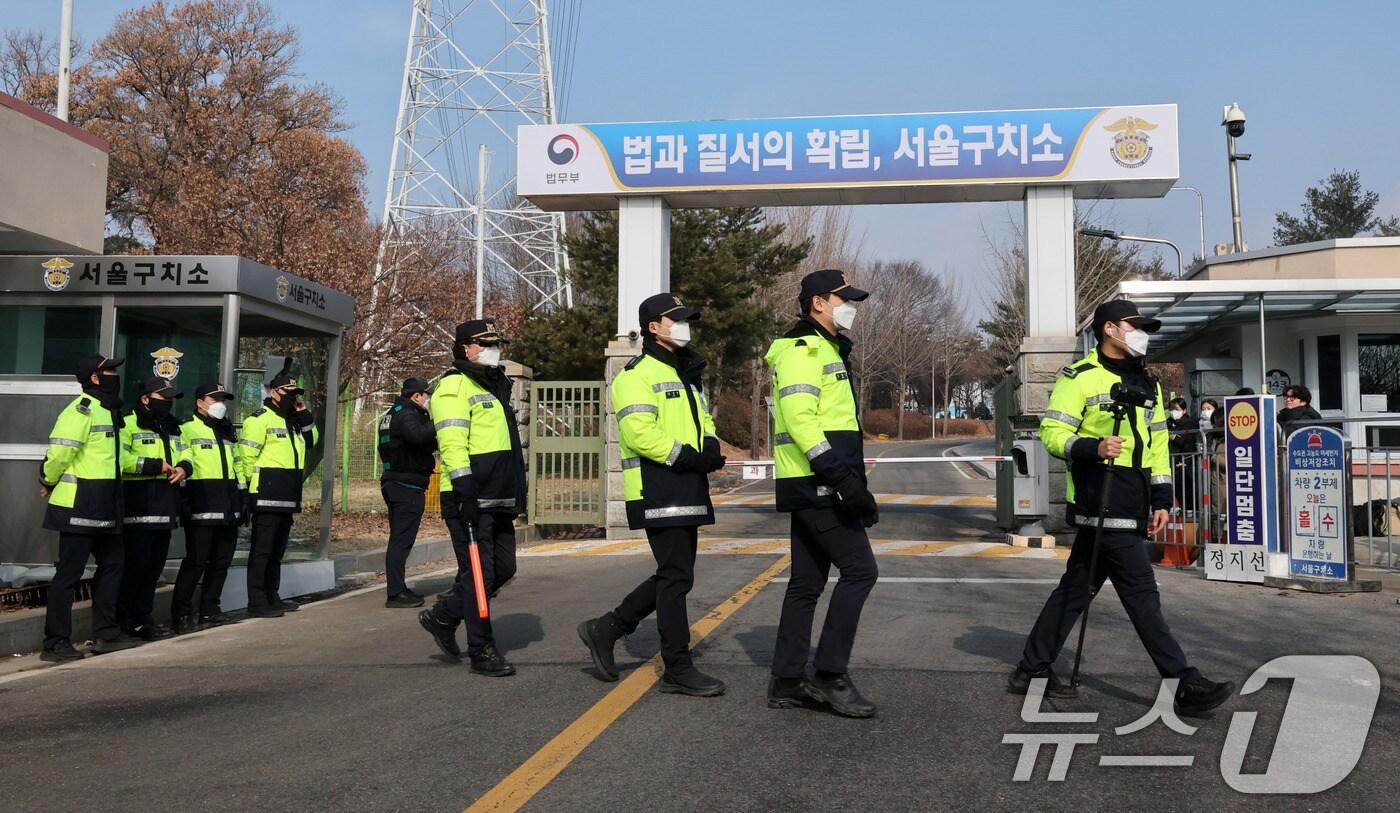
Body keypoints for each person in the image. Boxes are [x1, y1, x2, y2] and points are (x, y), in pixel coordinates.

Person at [1009, 300, 1234, 718]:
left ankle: (1030, 666)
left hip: (1134, 499)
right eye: (1136, 326)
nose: (1142, 333)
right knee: (1142, 594)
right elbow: (1052, 432)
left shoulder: (1148, 382)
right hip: (1101, 499)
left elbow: (1159, 447)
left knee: (1077, 589)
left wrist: (1164, 498)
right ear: (1110, 329)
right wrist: (1092, 447)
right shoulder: (1079, 378)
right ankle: (1183, 682)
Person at [576, 294, 727, 696]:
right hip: (658, 483)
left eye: (685, 319)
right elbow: (639, 433)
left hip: (686, 481)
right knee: (676, 577)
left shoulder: (685, 372)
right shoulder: (635, 375)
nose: (684, 325)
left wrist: (709, 444)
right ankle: (677, 666)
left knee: (675, 574)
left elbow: (702, 417)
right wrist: (689, 458)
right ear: (653, 327)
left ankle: (607, 628)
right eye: (674, 319)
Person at [764, 269, 880, 718]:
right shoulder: (802, 350)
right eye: (842, 299)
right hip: (817, 483)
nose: (849, 306)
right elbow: (801, 420)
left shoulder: (827, 347)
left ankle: (787, 680)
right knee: (860, 571)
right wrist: (841, 479)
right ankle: (829, 674)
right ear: (817, 302)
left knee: (807, 583)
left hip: (815, 481)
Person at [417, 319, 525, 677]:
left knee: (504, 568)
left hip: (498, 495)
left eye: (497, 344)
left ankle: (444, 616)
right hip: (470, 495)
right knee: (479, 573)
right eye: (486, 344)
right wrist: (464, 488)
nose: (495, 350)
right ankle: (482, 650)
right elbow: (451, 442)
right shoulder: (453, 386)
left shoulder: (496, 386)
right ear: (466, 348)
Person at [38, 355, 140, 661]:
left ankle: (106, 634)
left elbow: (118, 460)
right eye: (109, 371)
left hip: (106, 506)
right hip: (79, 506)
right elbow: (59, 454)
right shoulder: (80, 410)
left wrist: (156, 465)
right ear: (94, 378)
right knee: (68, 576)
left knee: (114, 567)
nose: (114, 375)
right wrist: (47, 478)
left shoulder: (111, 411)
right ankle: (55, 642)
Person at [116, 377, 191, 641]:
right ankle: (122, 622)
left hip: (165, 508)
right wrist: (154, 465)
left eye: (170, 398)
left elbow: (186, 452)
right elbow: (120, 460)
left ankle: (142, 620)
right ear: (145, 399)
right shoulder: (127, 424)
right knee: (133, 569)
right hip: (138, 507)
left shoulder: (172, 426)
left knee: (152, 570)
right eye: (163, 397)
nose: (168, 403)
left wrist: (183, 468)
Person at [239, 373, 318, 618]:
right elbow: (245, 457)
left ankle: (273, 596)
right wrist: (248, 491)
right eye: (288, 394)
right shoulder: (259, 420)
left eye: (295, 395)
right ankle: (257, 600)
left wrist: (304, 415)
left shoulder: (293, 420)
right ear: (274, 393)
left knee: (277, 551)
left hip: (287, 495)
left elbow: (312, 441)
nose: (292, 399)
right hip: (265, 495)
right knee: (262, 551)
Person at [172, 383, 245, 633]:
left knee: (221, 562)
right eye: (214, 399)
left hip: (228, 505)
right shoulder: (186, 429)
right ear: (200, 402)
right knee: (196, 562)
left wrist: (242, 497)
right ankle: (181, 615)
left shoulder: (226, 431)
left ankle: (210, 610)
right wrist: (185, 502)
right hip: (201, 504)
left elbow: (238, 465)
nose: (220, 404)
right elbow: (183, 462)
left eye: (223, 399)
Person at [379, 377, 437, 608]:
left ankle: (398, 588)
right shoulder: (407, 414)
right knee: (401, 540)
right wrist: (439, 422)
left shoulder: (393, 413)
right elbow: (417, 437)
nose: (428, 399)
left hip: (395, 481)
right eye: (426, 395)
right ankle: (395, 593)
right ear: (416, 396)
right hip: (406, 484)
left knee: (398, 539)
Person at [1165, 397, 1196, 509]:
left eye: (1176, 409)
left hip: (1184, 461)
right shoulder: (1167, 422)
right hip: (1170, 460)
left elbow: (1188, 444)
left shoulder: (1191, 422)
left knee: (1186, 489)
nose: (1174, 411)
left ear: (1184, 410)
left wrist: (1174, 437)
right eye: (1171, 409)